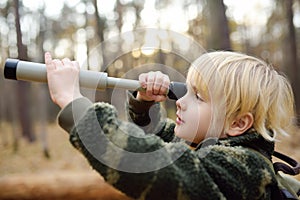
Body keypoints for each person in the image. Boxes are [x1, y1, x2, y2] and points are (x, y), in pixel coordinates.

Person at [44, 51, 298, 200]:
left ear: (238, 123)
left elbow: (151, 165)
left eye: (198, 97)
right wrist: (143, 105)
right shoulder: (212, 147)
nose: (180, 103)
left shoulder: (244, 168)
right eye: (186, 91)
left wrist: (74, 103)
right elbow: (154, 139)